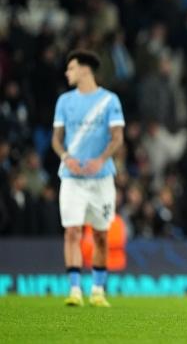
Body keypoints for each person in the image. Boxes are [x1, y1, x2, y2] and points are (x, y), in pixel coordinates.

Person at [51, 50, 125, 307]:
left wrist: (101, 159)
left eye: (71, 68)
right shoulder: (64, 101)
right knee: (72, 231)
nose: (67, 73)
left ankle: (97, 290)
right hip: (72, 178)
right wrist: (65, 157)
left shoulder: (109, 101)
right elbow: (56, 139)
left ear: (85, 70)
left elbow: (117, 137)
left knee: (101, 234)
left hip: (101, 179)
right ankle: (74, 290)